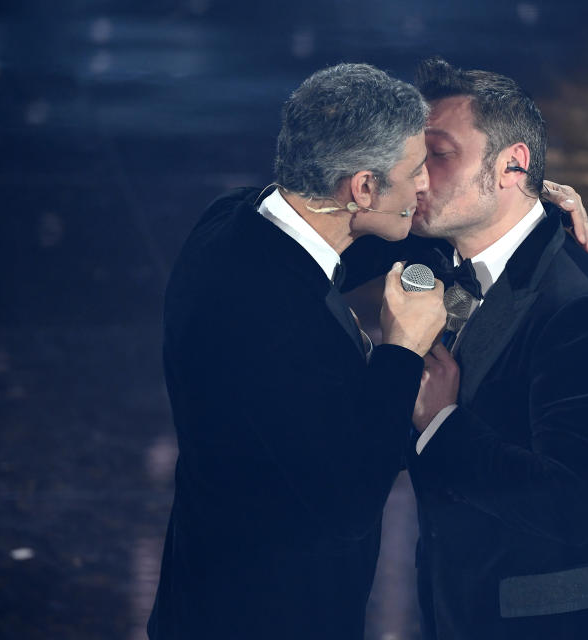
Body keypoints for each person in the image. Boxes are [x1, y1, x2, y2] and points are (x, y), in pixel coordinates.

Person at [147, 63, 448, 639]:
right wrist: (403, 350)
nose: (425, 186)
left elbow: (332, 259)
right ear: (362, 187)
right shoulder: (278, 324)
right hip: (265, 616)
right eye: (414, 173)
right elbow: (349, 503)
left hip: (200, 593)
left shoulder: (234, 218)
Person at [403, 58, 588, 639]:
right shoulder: (440, 262)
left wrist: (441, 426)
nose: (416, 176)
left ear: (512, 165)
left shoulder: (583, 312)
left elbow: (571, 504)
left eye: (438, 153)